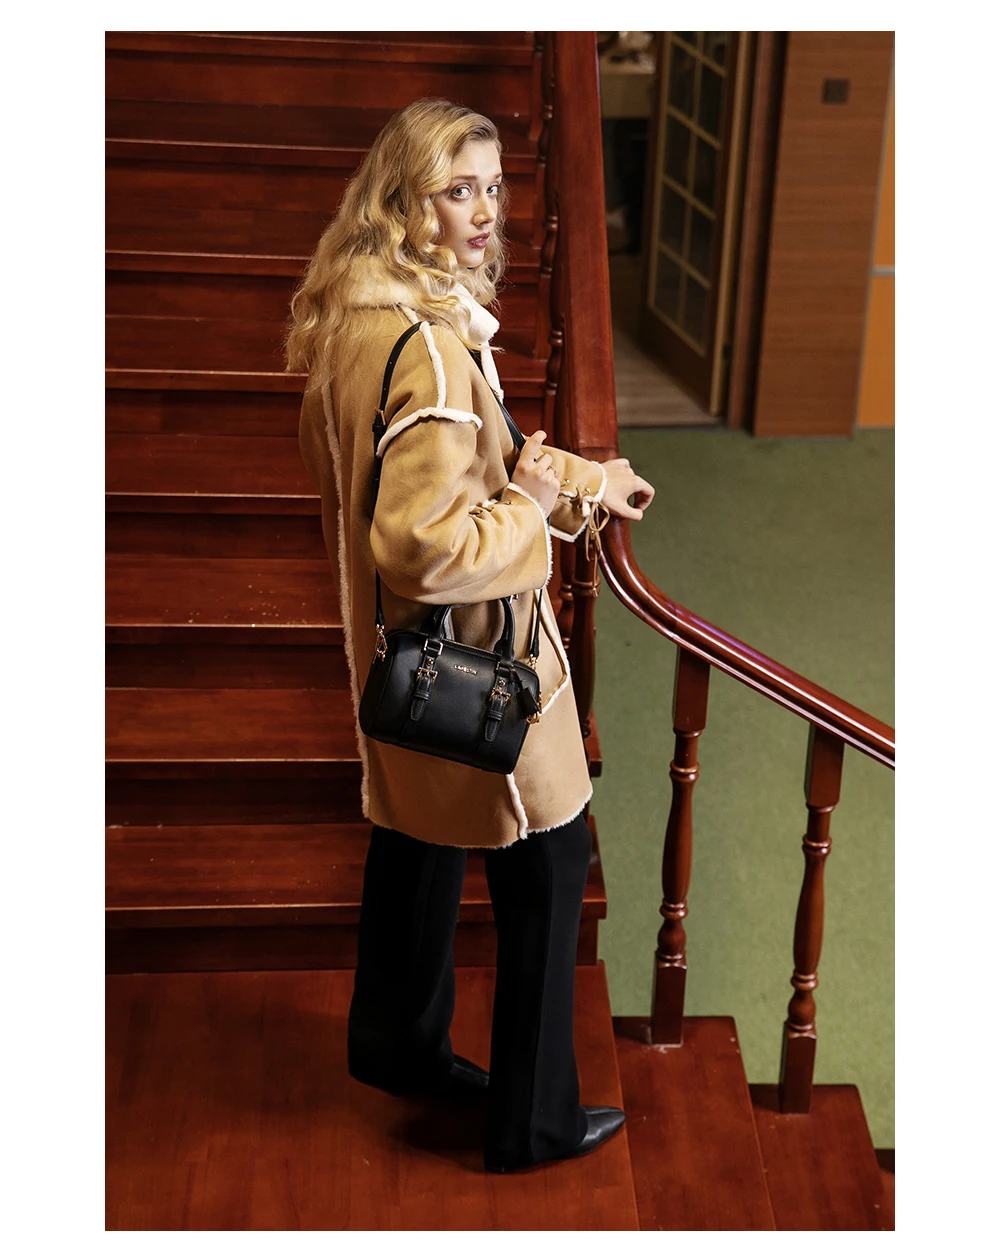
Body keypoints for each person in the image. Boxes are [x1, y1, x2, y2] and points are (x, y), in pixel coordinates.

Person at [288, 98, 654, 1174]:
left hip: (397, 660)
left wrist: (578, 481)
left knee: (418, 835)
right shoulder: (436, 353)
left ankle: (398, 1047)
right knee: (555, 856)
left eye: (494, 186)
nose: (487, 210)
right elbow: (428, 546)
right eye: (459, 190)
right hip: (479, 661)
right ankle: (534, 1123)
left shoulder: (361, 321)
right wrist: (534, 511)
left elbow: (470, 465)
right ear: (405, 205)